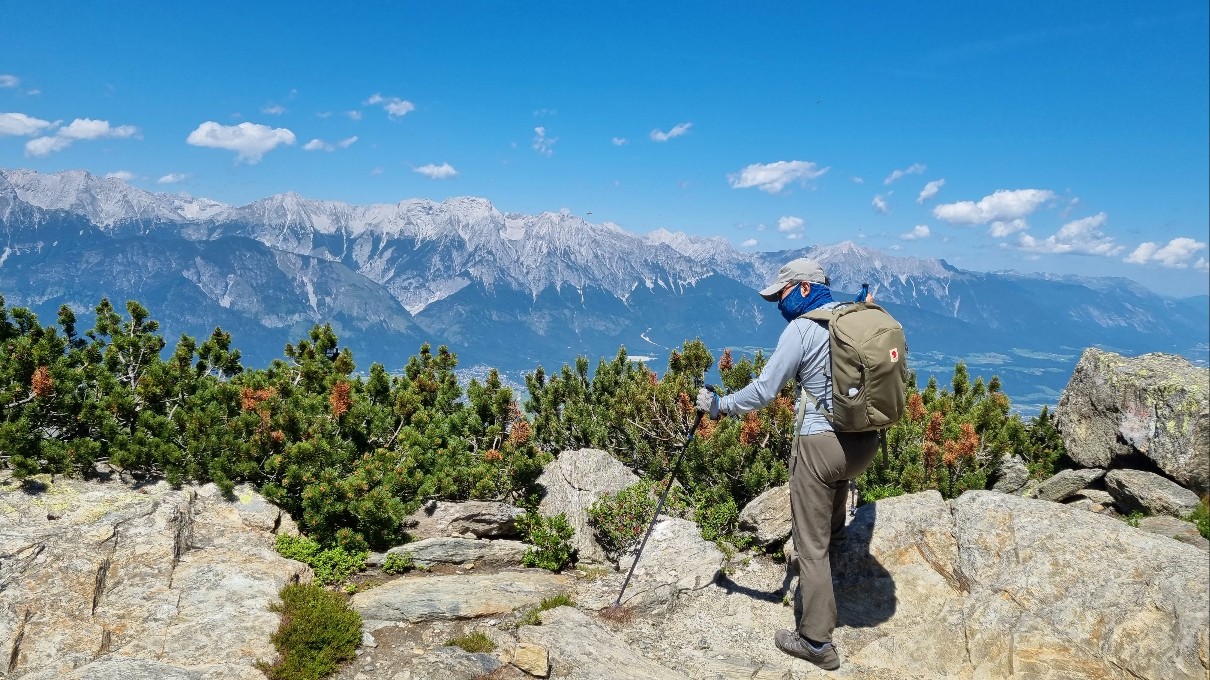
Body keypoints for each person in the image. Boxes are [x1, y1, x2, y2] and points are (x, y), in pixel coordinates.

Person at [696, 257, 880, 672]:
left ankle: (816, 641)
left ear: (803, 288)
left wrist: (720, 406)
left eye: (781, 293)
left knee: (809, 546)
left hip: (821, 445)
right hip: (865, 443)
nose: (778, 302)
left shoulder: (801, 329)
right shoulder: (852, 317)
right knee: (834, 502)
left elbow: (765, 390)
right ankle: (837, 562)